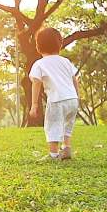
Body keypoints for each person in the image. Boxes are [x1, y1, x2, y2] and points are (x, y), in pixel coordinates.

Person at [28, 27, 79, 160]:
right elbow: (75, 80)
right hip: (72, 99)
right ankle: (66, 147)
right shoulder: (66, 61)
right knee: (68, 124)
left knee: (52, 125)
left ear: (38, 47)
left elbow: (36, 82)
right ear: (60, 44)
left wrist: (34, 105)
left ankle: (54, 154)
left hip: (57, 100)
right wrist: (77, 97)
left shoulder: (39, 64)